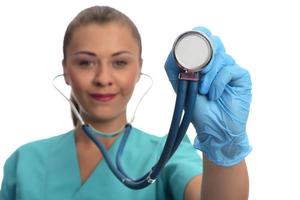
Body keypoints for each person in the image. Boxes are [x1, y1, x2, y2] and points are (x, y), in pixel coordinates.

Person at [0, 5, 252, 200]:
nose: (103, 78)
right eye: (85, 62)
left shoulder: (166, 154)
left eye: (119, 62)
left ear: (139, 69)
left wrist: (223, 146)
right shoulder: (24, 163)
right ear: (65, 70)